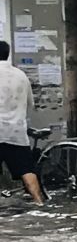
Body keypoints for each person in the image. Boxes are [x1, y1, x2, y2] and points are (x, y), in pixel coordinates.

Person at [0, 41, 46, 205]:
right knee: (27, 169)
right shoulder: (21, 75)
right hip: (16, 133)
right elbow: (30, 104)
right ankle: (38, 201)